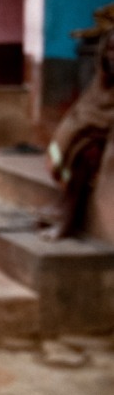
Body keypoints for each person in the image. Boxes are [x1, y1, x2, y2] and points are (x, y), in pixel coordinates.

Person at [41, 25, 114, 240]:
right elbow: (87, 110)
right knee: (72, 141)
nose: (112, 55)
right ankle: (63, 203)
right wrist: (78, 128)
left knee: (86, 154)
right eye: (109, 49)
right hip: (99, 132)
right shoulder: (103, 81)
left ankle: (67, 221)